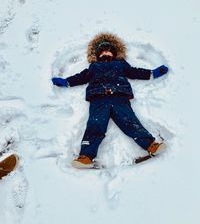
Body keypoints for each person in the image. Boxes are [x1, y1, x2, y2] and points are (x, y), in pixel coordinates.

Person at [52, 33, 169, 168]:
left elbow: (135, 72)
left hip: (119, 96)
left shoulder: (121, 64)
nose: (105, 52)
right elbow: (81, 77)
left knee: (130, 122)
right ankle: (86, 157)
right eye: (102, 51)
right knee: (95, 125)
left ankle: (151, 145)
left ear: (113, 53)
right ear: (97, 54)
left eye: (108, 50)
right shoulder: (94, 67)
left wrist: (152, 73)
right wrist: (66, 81)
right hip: (98, 99)